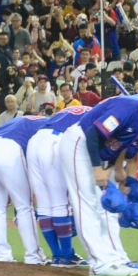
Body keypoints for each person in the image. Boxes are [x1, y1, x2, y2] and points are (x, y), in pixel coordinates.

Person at [56, 97, 138, 276]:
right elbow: (92, 135)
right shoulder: (126, 109)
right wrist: (97, 168)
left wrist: (107, 168)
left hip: (94, 151)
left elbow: (119, 145)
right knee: (86, 203)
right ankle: (99, 265)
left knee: (99, 205)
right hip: (79, 143)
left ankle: (111, 259)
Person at [0, 116, 49, 264]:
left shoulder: (32, 120)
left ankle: (2, 256)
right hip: (9, 147)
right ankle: (34, 256)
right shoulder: (51, 128)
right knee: (25, 206)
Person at [25, 106, 90, 266]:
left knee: (45, 205)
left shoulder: (75, 109)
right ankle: (67, 256)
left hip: (35, 141)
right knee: (61, 203)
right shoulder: (100, 113)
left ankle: (56, 255)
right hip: (58, 142)